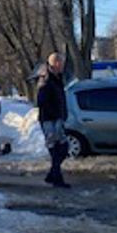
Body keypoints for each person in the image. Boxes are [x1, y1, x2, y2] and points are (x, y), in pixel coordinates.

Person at [37, 53, 70, 187]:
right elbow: (41, 101)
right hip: (49, 119)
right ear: (55, 63)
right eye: (61, 63)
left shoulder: (57, 78)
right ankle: (57, 178)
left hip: (58, 118)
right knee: (56, 148)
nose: (63, 66)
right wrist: (53, 114)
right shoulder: (46, 80)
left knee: (62, 148)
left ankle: (53, 175)